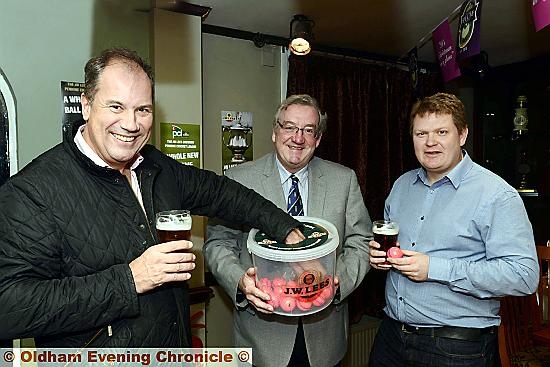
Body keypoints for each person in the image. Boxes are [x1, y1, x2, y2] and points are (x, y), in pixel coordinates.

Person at [0, 47, 304, 348]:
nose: (131, 125)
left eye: (142, 110)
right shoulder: (33, 190)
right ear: (86, 105)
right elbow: (9, 308)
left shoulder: (154, 166)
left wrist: (285, 227)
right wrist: (130, 281)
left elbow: (221, 192)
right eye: (116, 107)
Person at [368, 92, 539, 367]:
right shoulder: (402, 186)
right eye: (421, 133)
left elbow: (524, 276)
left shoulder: (496, 195)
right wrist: (380, 257)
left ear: (462, 135)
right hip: (391, 337)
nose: (430, 142)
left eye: (441, 132)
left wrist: (436, 269)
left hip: (456, 347)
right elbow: (396, 248)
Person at [204, 94, 372, 367]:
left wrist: (339, 280)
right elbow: (218, 243)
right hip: (261, 338)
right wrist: (239, 281)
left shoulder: (344, 180)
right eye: (290, 127)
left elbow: (361, 240)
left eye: (308, 130)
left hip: (324, 339)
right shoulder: (238, 180)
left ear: (318, 139)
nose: (298, 138)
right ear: (274, 132)